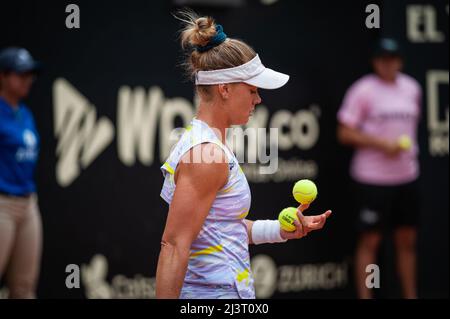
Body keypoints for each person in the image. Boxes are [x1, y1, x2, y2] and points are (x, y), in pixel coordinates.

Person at [155, 12, 332, 299]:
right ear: (224, 89)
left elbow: (221, 229)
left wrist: (279, 230)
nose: (258, 99)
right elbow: (173, 246)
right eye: (252, 90)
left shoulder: (210, 145)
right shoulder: (206, 153)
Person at [337, 38, 421, 299]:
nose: (388, 64)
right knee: (370, 242)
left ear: (400, 61)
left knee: (406, 242)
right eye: (383, 59)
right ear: (376, 62)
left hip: (407, 178)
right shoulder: (362, 90)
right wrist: (381, 143)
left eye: (393, 59)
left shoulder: (412, 88)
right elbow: (344, 133)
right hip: (372, 180)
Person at [0, 47, 42, 298]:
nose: (28, 80)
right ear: (3, 76)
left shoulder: (25, 113)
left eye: (30, 74)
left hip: (28, 203)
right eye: (20, 74)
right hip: (2, 203)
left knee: (25, 287)